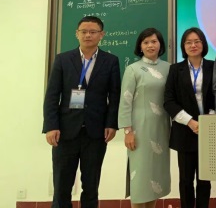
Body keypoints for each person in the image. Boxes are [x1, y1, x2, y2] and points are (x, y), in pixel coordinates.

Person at [43, 16, 121, 208]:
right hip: (65, 132)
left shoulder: (110, 61)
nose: (88, 35)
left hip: (95, 133)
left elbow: (114, 96)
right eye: (83, 31)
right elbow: (52, 95)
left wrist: (111, 124)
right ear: (76, 34)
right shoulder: (63, 59)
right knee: (62, 186)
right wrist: (51, 126)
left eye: (93, 32)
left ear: (101, 35)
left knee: (91, 187)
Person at [118, 28, 171, 208]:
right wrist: (128, 131)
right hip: (139, 130)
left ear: (160, 45)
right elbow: (125, 101)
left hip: (161, 129)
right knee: (141, 175)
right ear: (140, 46)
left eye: (154, 41)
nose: (150, 45)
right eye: (146, 42)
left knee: (156, 175)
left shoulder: (168, 68)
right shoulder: (133, 69)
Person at [164, 27, 215, 208]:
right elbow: (169, 101)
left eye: (197, 41)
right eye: (188, 42)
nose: (193, 45)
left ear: (203, 44)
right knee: (186, 180)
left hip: (208, 129)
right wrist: (190, 122)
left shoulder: (213, 66)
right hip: (185, 130)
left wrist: (208, 119)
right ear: (183, 46)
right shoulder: (175, 69)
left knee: (204, 179)